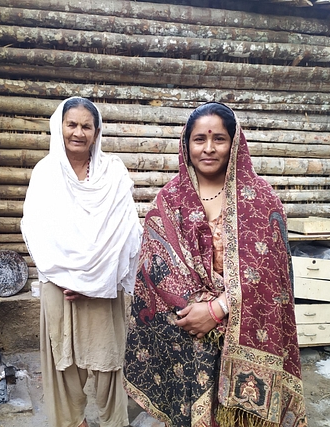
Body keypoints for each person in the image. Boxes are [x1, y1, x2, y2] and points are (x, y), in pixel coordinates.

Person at [123, 103, 307, 427]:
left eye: (219, 139)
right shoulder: (169, 200)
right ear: (186, 145)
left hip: (246, 334)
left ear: (234, 143)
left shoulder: (262, 200)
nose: (208, 148)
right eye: (199, 139)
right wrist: (196, 311)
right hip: (187, 333)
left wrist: (219, 309)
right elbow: (155, 267)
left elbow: (273, 276)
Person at [21, 97, 142, 427]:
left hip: (103, 288)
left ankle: (113, 422)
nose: (78, 132)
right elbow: (37, 231)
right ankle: (73, 423)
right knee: (63, 367)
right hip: (59, 287)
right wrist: (69, 279)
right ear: (58, 127)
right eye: (71, 124)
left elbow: (126, 233)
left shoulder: (112, 172)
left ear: (97, 131)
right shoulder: (45, 173)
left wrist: (94, 282)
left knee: (108, 364)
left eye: (86, 126)